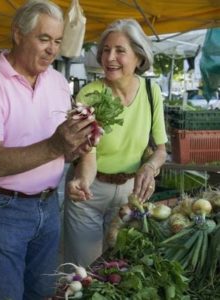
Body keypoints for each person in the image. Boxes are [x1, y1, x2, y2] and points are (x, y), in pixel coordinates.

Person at [0, 1, 95, 299]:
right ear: (18, 34)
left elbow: (63, 151)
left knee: (42, 293)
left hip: (49, 206)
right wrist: (56, 145)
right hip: (2, 210)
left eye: (58, 41)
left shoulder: (59, 83)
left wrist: (75, 147)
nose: (52, 49)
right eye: (44, 38)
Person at [63, 19, 168, 268]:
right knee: (83, 271)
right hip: (90, 191)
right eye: (106, 50)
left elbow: (161, 150)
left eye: (120, 51)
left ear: (139, 58)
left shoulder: (152, 92)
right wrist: (82, 183)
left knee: (119, 268)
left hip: (130, 194)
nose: (110, 57)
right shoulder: (89, 95)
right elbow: (89, 155)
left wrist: (149, 168)